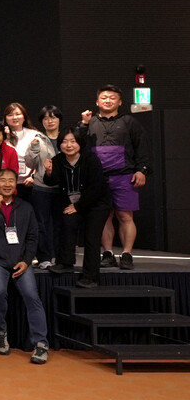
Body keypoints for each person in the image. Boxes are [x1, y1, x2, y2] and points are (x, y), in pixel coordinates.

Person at [0, 168, 48, 364]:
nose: (7, 184)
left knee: (31, 295)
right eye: (3, 180)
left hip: (21, 261)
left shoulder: (26, 207)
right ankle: (0, 333)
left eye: (11, 180)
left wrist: (26, 261)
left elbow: (33, 236)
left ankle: (41, 343)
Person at [81, 85, 150, 270]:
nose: (108, 100)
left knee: (125, 216)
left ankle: (126, 254)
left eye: (112, 98)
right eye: (104, 97)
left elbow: (142, 147)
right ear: (97, 102)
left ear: (119, 102)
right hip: (98, 179)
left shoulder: (130, 122)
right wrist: (83, 124)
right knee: (104, 216)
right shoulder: (89, 122)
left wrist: (141, 170)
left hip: (125, 176)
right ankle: (108, 253)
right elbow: (78, 145)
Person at [45, 129, 112, 288]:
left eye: (73, 141)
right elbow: (51, 181)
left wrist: (78, 206)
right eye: (64, 142)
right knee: (67, 224)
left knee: (91, 237)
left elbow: (96, 188)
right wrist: (49, 172)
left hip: (96, 204)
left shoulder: (91, 159)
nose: (68, 145)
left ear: (80, 143)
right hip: (74, 204)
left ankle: (90, 276)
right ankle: (65, 262)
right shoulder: (58, 160)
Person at [24, 106, 63, 269]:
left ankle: (60, 257)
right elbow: (29, 163)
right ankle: (44, 258)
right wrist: (33, 149)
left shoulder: (67, 137)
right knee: (42, 224)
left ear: (59, 119)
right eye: (46, 118)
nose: (50, 121)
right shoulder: (37, 139)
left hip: (62, 188)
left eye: (53, 117)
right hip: (41, 188)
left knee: (61, 224)